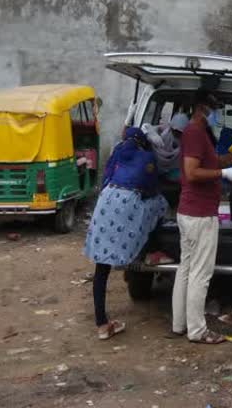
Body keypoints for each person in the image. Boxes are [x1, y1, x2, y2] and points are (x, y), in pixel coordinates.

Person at [83, 127, 168, 340]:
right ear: (142, 141)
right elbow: (151, 187)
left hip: (106, 200)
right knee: (160, 204)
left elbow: (105, 178)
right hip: (128, 201)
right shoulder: (147, 157)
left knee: (101, 269)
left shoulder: (117, 151)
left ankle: (102, 324)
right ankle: (152, 250)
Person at [171, 89, 232, 344]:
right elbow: (191, 172)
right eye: (215, 108)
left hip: (191, 213)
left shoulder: (200, 134)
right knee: (200, 274)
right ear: (202, 107)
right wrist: (223, 175)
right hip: (199, 215)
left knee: (187, 269)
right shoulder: (194, 133)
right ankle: (198, 330)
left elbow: (209, 163)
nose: (218, 113)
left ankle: (180, 324)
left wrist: (231, 158)